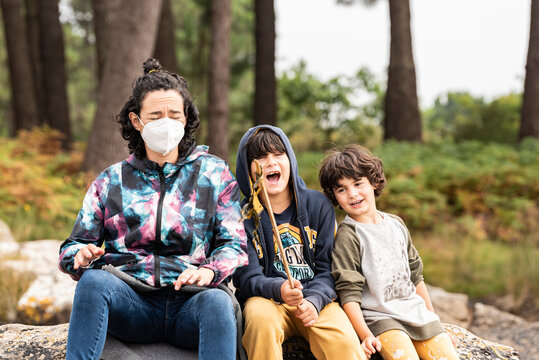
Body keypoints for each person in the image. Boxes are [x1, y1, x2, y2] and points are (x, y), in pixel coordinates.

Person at [58, 58, 248, 360]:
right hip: (132, 302)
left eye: (174, 114)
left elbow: (235, 245)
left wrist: (210, 270)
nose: (167, 122)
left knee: (218, 302)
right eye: (156, 115)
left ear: (185, 119)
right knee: (93, 281)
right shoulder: (110, 180)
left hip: (191, 302)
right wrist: (78, 256)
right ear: (137, 121)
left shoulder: (215, 175)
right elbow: (72, 246)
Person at [233, 125, 367, 360]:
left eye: (278, 154)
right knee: (259, 322)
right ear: (247, 169)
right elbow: (246, 278)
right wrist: (279, 289)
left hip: (315, 299)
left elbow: (328, 270)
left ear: (290, 159)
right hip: (267, 300)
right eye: (261, 157)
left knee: (344, 340)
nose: (271, 162)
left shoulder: (319, 206)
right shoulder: (241, 215)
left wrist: (315, 301)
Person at [319, 144, 459, 360]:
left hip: (417, 313)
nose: (352, 194)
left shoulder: (396, 223)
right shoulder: (349, 234)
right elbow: (348, 292)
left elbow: (415, 276)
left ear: (374, 182)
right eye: (342, 189)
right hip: (381, 320)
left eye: (358, 183)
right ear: (334, 196)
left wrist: (435, 322)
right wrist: (365, 335)